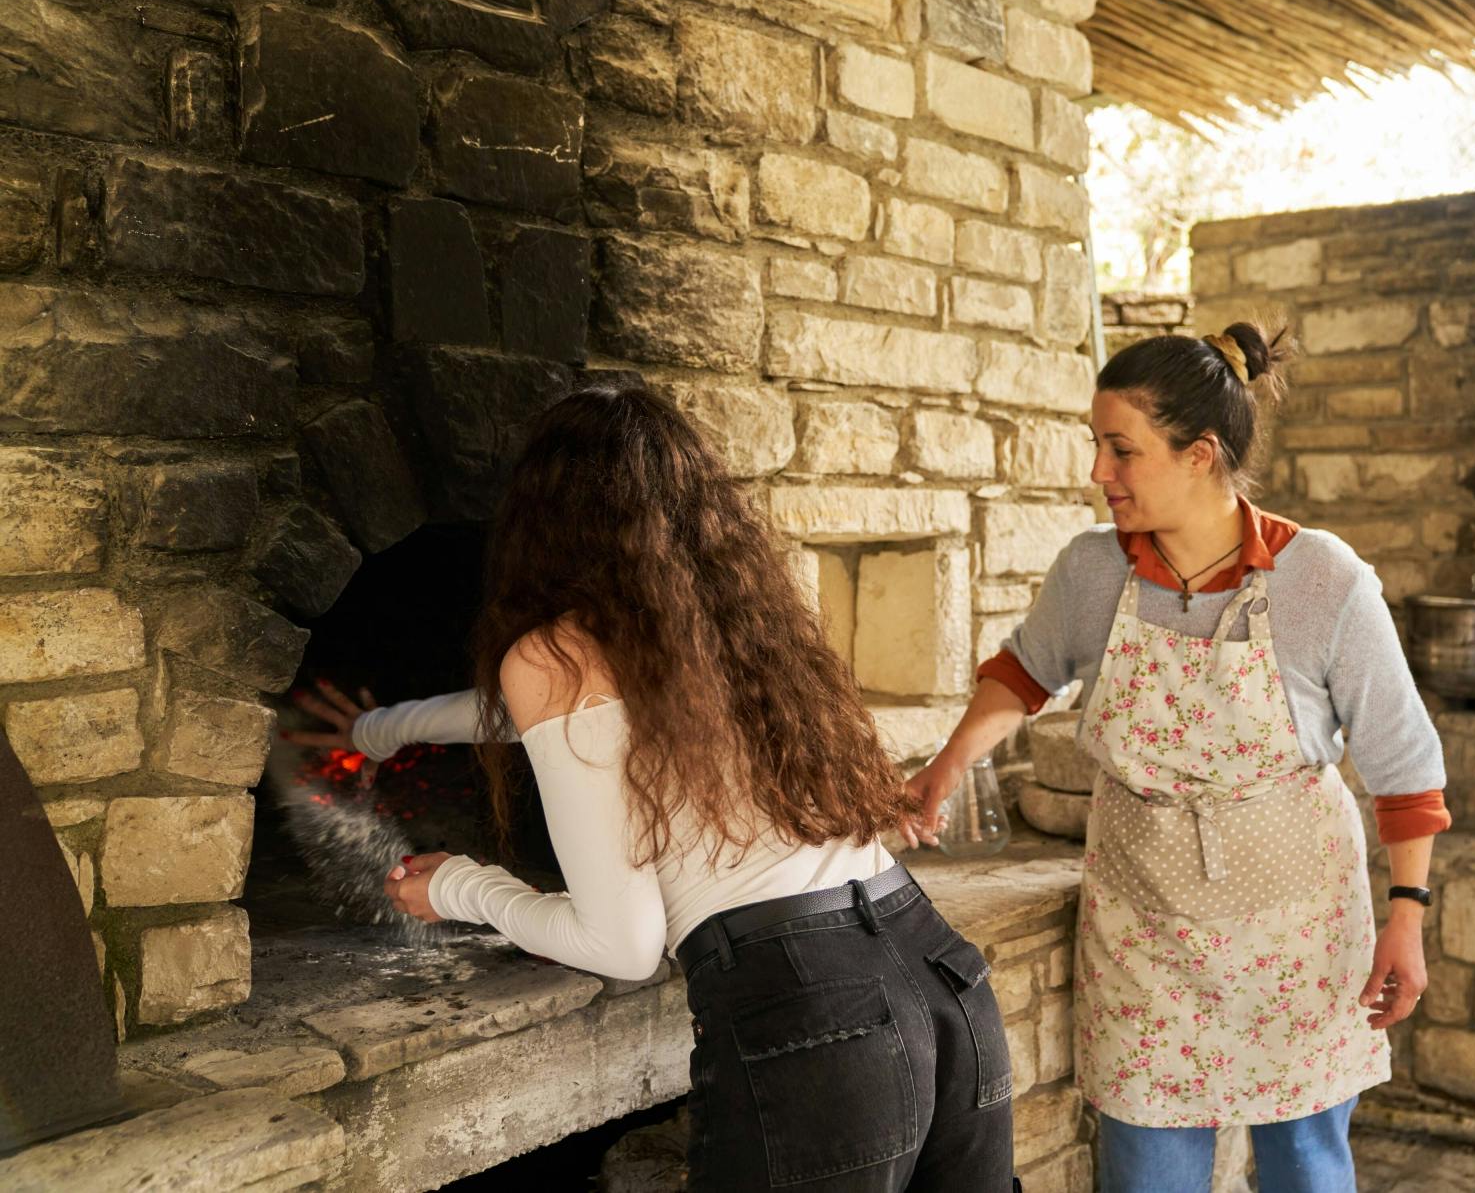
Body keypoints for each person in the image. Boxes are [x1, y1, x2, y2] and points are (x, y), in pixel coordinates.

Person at [296, 387, 1014, 1192]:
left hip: (820, 1015)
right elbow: (548, 715)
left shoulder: (555, 653)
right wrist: (378, 729)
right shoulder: (738, 621)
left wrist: (461, 884)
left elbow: (624, 947)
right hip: (943, 978)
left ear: (541, 520)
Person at [902, 324, 1450, 1192]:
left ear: (1200, 455)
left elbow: (1404, 765)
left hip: (1297, 941)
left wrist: (1409, 915)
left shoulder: (1323, 582)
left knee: (1307, 1166)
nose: (1098, 472)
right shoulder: (1092, 572)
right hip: (1143, 942)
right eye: (1097, 446)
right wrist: (946, 763)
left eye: (1120, 449)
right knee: (1145, 1176)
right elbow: (1023, 673)